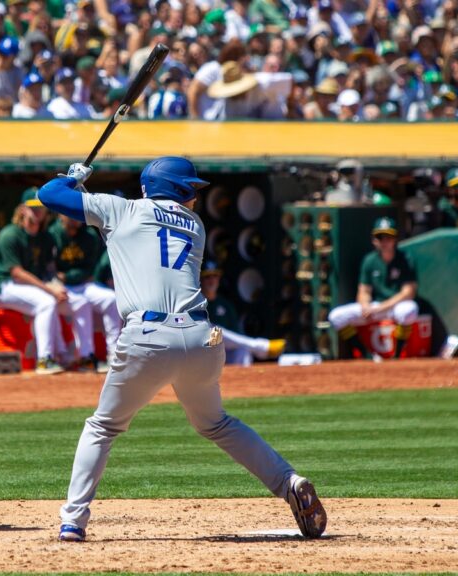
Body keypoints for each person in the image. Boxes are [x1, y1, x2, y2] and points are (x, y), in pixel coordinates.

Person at [37, 156, 326, 542]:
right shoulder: (194, 224)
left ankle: (73, 522)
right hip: (201, 338)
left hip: (148, 337)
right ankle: (288, 481)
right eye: (190, 188)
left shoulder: (122, 209)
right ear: (175, 189)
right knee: (217, 424)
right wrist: (90, 199)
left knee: (102, 426)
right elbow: (135, 234)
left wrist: (73, 179)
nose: (194, 196)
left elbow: (49, 195)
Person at [0, 188, 67, 375]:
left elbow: (49, 269)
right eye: (33, 207)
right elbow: (17, 273)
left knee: (67, 301)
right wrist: (50, 290)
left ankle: (65, 355)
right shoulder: (10, 234)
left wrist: (58, 286)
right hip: (6, 287)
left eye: (41, 207)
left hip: (33, 287)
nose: (38, 211)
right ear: (22, 209)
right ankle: (44, 359)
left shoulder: (46, 237)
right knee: (46, 302)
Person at [327, 217, 419, 360]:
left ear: (395, 239)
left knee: (409, 310)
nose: (384, 241)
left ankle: (397, 355)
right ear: (374, 240)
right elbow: (364, 290)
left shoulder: (405, 259)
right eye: (380, 237)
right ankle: (366, 355)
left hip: (394, 307)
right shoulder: (369, 261)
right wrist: (365, 306)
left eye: (388, 237)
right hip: (375, 307)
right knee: (336, 316)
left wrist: (382, 307)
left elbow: (408, 292)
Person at [49, 213, 121, 372]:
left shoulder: (89, 235)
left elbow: (89, 269)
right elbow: (49, 266)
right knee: (81, 303)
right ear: (61, 215)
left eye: (77, 215)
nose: (75, 218)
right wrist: (56, 281)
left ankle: (115, 356)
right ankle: (84, 356)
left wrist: (67, 276)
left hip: (85, 284)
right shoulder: (52, 234)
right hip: (60, 286)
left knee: (111, 299)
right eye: (70, 215)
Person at [200, 260, 284, 365]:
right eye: (207, 277)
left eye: (215, 276)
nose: (212, 280)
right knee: (212, 329)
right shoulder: (194, 303)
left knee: (243, 350)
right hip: (200, 354)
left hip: (222, 353)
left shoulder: (225, 305)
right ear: (200, 280)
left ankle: (245, 374)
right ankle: (260, 346)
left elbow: (235, 335)